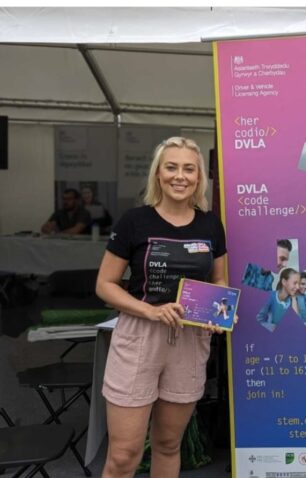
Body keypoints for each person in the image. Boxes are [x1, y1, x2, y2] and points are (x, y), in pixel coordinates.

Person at [95, 136, 229, 477]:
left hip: (189, 340)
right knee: (124, 455)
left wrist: (217, 313)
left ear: (199, 177)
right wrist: (151, 311)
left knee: (169, 445)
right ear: (158, 174)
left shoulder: (210, 224)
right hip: (139, 337)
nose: (179, 176)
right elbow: (105, 285)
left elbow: (220, 282)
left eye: (189, 169)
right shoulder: (135, 221)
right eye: (171, 167)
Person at [256, 267, 300, 332]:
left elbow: (297, 325)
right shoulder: (270, 297)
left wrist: (294, 299)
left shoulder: (293, 301)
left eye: (298, 284)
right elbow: (258, 320)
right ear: (284, 282)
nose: (298, 287)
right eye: (295, 283)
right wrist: (274, 328)